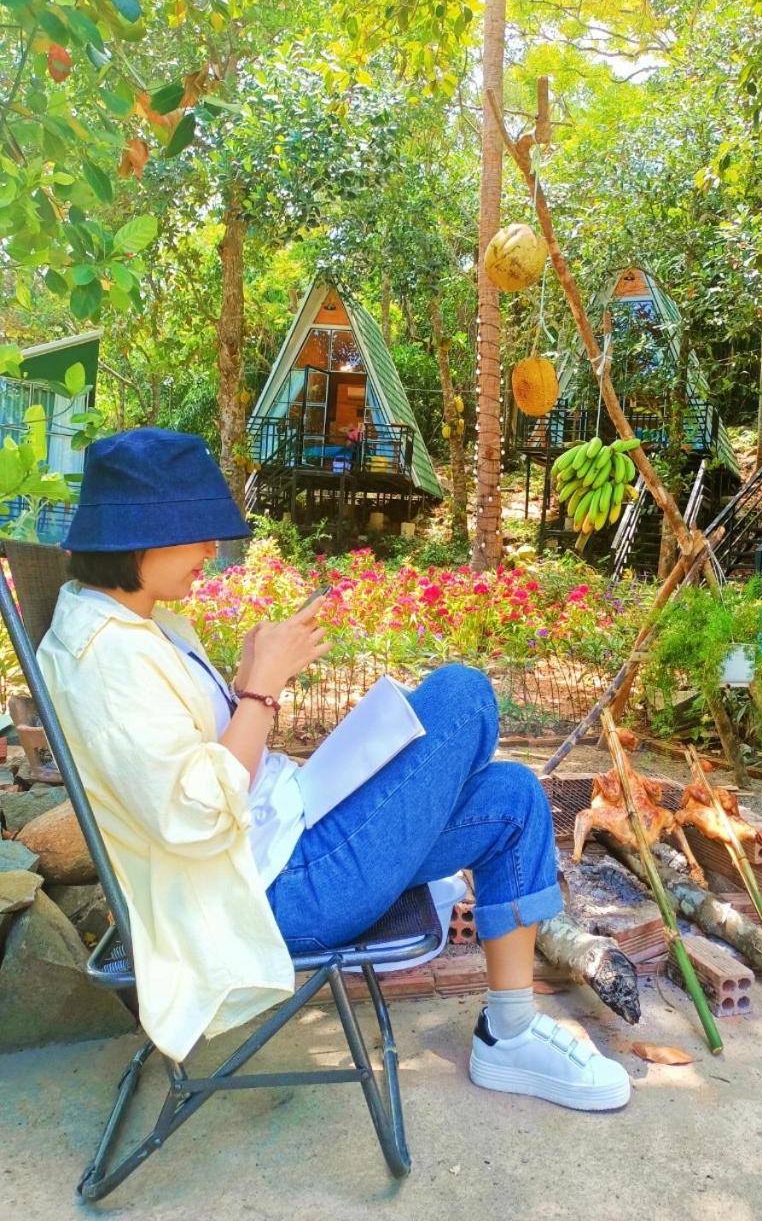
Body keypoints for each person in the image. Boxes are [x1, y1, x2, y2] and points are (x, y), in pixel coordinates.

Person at [39, 429, 631, 1112]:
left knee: (512, 795)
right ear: (139, 537)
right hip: (265, 893)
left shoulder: (144, 625)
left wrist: (243, 686)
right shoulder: (107, 660)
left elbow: (197, 760)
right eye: (196, 532)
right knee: (463, 694)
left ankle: (509, 1035)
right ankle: (496, 1003)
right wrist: (262, 690)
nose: (210, 549)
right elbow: (195, 816)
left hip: (281, 842)